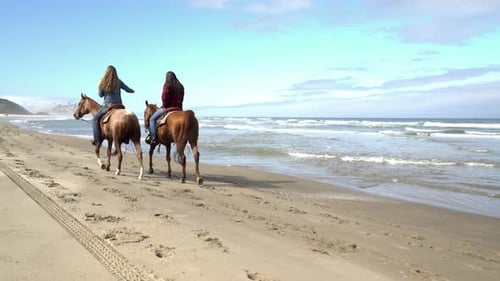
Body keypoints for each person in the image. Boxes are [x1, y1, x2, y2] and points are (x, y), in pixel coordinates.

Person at [91, 65, 135, 146]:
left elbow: (100, 95)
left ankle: (97, 140)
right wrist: (132, 90)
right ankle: (126, 138)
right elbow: (127, 89)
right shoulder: (119, 81)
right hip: (119, 106)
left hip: (108, 105)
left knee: (95, 120)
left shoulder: (103, 81)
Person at [146, 71, 184, 145]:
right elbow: (181, 99)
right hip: (179, 109)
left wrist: (164, 106)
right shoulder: (180, 86)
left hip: (168, 108)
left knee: (152, 119)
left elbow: (165, 98)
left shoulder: (167, 85)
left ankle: (153, 138)